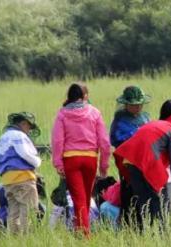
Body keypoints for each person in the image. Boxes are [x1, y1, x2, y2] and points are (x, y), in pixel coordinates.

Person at [113, 99, 171, 231]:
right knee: (158, 204)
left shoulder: (156, 124)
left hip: (130, 162)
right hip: (145, 163)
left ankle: (145, 234)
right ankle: (161, 236)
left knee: (144, 203)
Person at [51, 82, 111, 237]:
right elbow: (104, 142)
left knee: (78, 199)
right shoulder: (95, 112)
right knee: (84, 198)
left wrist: (58, 162)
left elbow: (58, 140)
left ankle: (83, 235)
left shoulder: (62, 113)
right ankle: (83, 233)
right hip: (90, 159)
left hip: (71, 160)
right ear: (85, 96)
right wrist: (104, 166)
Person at [0, 112, 42, 234]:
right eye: (28, 127)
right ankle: (26, 239)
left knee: (13, 213)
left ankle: (14, 239)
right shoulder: (19, 136)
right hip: (23, 179)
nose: (29, 130)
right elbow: (25, 154)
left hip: (7, 181)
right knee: (29, 211)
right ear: (23, 123)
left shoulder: (2, 138)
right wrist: (37, 162)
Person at [109, 85, 151, 225]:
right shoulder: (120, 120)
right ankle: (128, 223)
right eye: (134, 105)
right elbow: (116, 138)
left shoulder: (145, 117)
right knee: (129, 190)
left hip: (144, 161)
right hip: (127, 162)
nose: (138, 107)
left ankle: (144, 221)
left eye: (140, 104)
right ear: (126, 104)